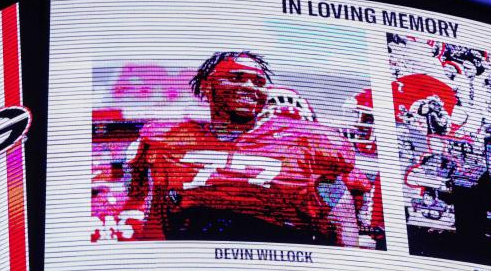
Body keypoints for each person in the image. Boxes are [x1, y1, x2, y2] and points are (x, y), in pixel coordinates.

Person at [118, 50, 363, 245]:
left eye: (258, 81)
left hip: (280, 257)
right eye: (236, 78)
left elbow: (342, 217)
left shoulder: (309, 142)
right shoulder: (170, 139)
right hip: (196, 255)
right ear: (205, 86)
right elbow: (157, 211)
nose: (249, 87)